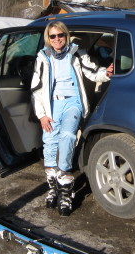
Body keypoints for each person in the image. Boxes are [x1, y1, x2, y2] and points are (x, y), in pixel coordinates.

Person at [31, 21, 113, 216]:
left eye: (60, 35)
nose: (57, 39)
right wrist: (42, 115)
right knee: (50, 145)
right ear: (48, 39)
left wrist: (106, 73)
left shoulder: (77, 53)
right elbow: (36, 88)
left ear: (66, 36)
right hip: (51, 106)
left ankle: (65, 187)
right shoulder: (43, 57)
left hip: (73, 103)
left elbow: (92, 73)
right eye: (53, 36)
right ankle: (53, 189)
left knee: (68, 136)